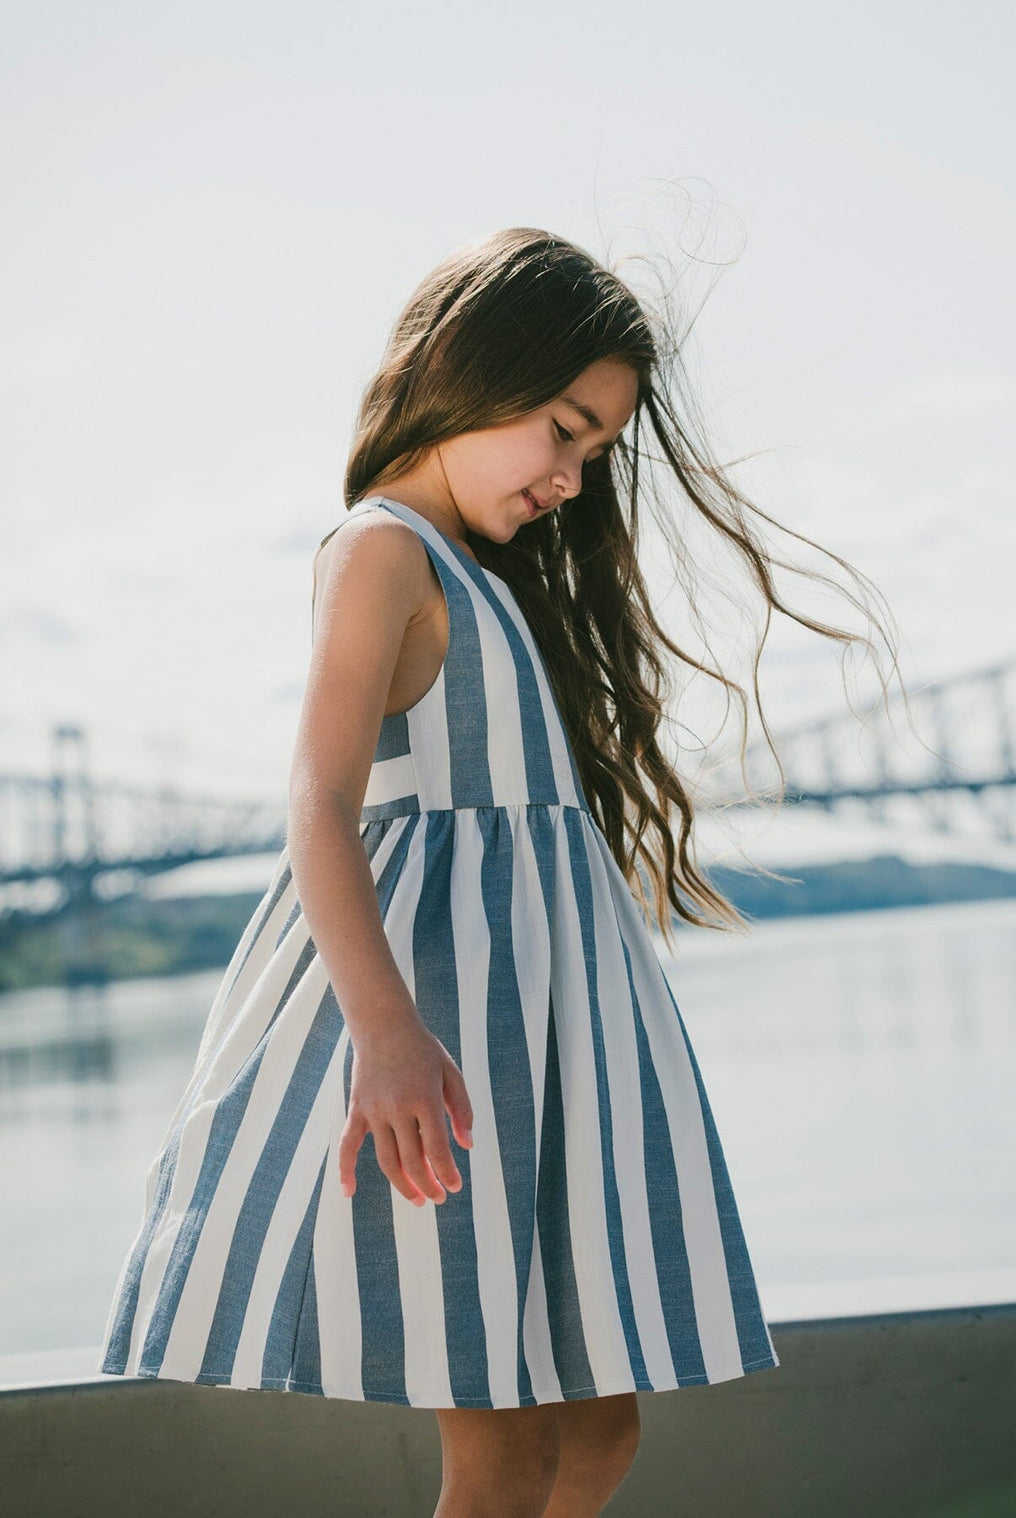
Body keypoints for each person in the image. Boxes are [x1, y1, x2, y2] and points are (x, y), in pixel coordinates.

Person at [97, 226, 902, 1517]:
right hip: (451, 1041)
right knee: (505, 1451)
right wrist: (388, 1032)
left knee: (594, 1433)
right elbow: (318, 797)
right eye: (561, 429)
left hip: (548, 1032)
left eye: (596, 452)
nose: (574, 476)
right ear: (470, 371)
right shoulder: (378, 549)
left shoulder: (484, 578)